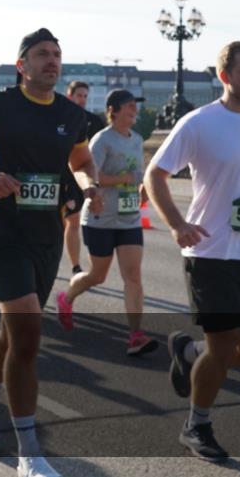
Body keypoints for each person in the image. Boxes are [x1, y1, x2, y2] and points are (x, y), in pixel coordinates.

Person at [0, 28, 102, 477]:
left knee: (15, 333)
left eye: (57, 54)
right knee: (28, 334)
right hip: (3, 233)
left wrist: (90, 184)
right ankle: (29, 454)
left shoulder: (71, 114)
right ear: (22, 65)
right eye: (42, 54)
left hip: (47, 236)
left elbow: (81, 161)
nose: (52, 61)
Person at [144, 41, 240, 462]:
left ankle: (189, 352)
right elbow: (155, 174)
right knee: (225, 348)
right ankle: (197, 424)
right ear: (225, 77)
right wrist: (177, 223)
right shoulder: (199, 123)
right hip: (208, 253)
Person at [56, 89, 158, 356]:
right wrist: (124, 178)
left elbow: (138, 173)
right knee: (97, 276)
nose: (134, 110)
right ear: (113, 110)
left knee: (133, 276)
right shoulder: (102, 140)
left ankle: (136, 335)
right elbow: (92, 174)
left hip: (129, 219)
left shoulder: (137, 139)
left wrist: (142, 188)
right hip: (100, 218)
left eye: (135, 106)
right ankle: (66, 297)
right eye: (129, 106)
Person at [62, 81, 107, 274]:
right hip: (64, 177)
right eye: (79, 95)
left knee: (73, 221)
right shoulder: (59, 117)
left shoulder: (94, 121)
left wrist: (99, 180)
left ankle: (77, 266)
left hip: (86, 177)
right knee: (69, 221)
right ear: (70, 96)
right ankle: (73, 266)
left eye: (85, 96)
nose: (83, 99)